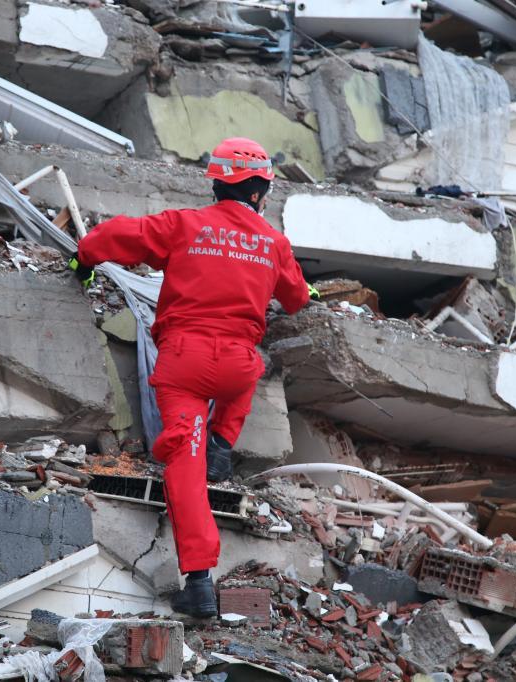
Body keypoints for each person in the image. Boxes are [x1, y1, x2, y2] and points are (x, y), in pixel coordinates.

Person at [69, 137, 317, 617]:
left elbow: (110, 237)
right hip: (237, 366)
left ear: (216, 186)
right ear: (261, 192)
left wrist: (83, 262)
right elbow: (297, 299)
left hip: (185, 363)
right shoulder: (274, 243)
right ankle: (222, 444)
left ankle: (199, 582)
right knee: (247, 370)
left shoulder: (184, 225)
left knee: (185, 467)